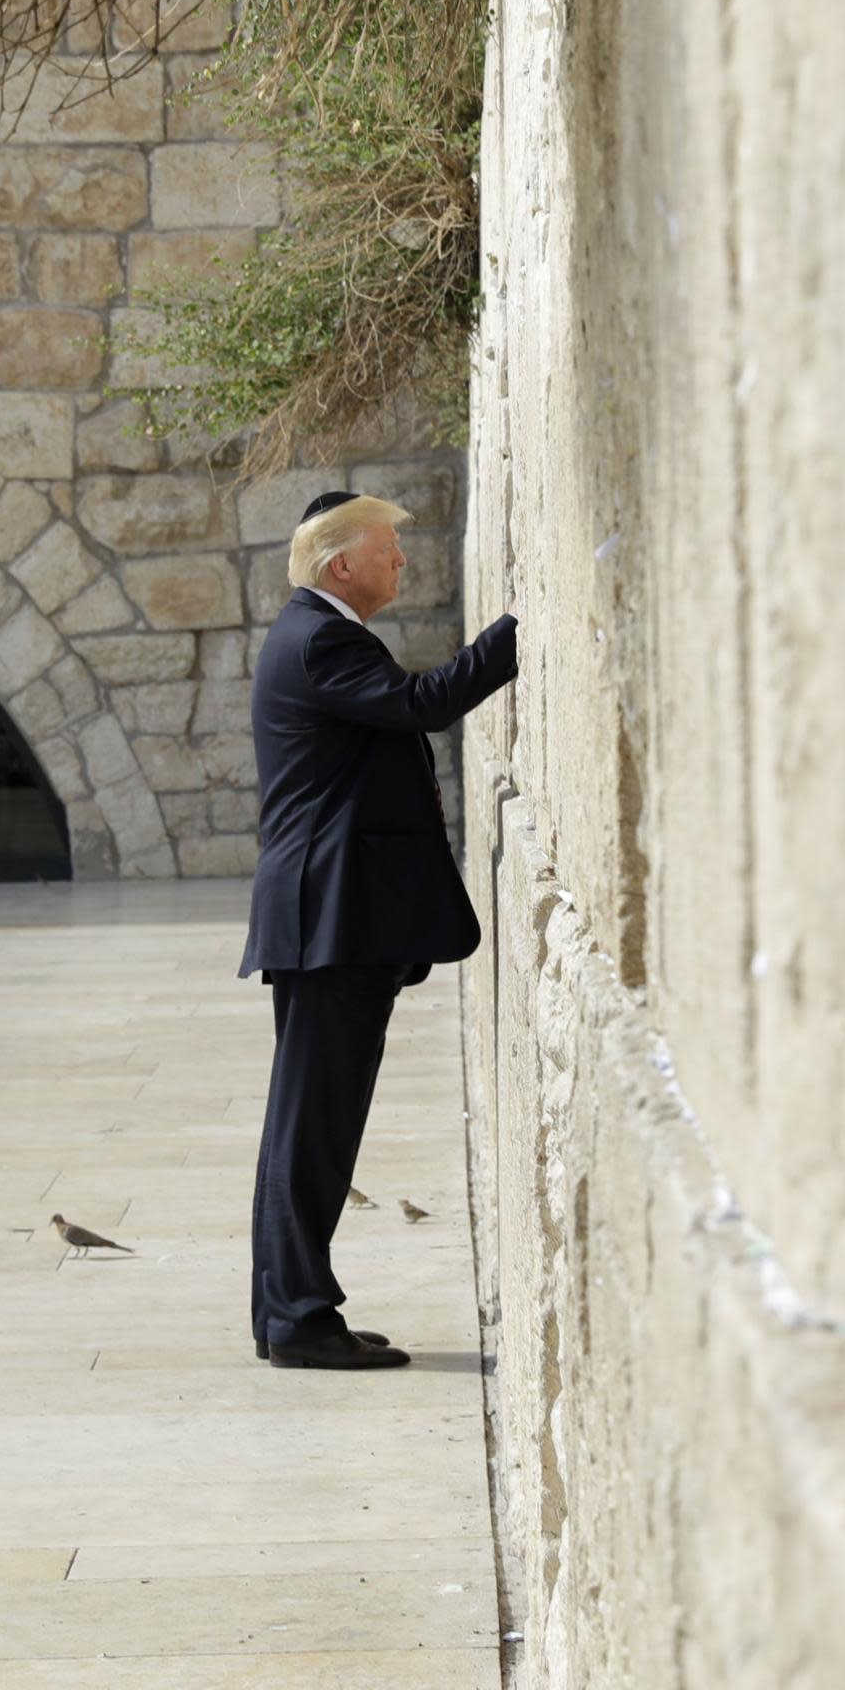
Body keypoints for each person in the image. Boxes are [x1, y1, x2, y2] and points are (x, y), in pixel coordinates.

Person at [242, 491, 520, 1370]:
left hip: (335, 917)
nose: (402, 561)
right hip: (330, 919)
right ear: (340, 565)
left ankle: (290, 1312)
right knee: (312, 1126)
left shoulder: (314, 633)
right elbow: (423, 703)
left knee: (310, 1123)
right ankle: (297, 1319)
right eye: (388, 548)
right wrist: (521, 629)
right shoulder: (319, 638)